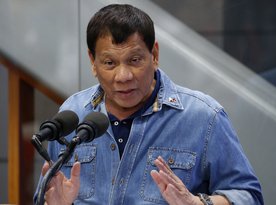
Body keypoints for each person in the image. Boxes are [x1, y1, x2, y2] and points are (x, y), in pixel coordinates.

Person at [34, 4, 264, 205]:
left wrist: (197, 203)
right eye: (109, 63)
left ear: (154, 55)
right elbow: (45, 195)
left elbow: (249, 196)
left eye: (134, 60)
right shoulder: (72, 113)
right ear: (93, 62)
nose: (123, 76)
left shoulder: (204, 116)